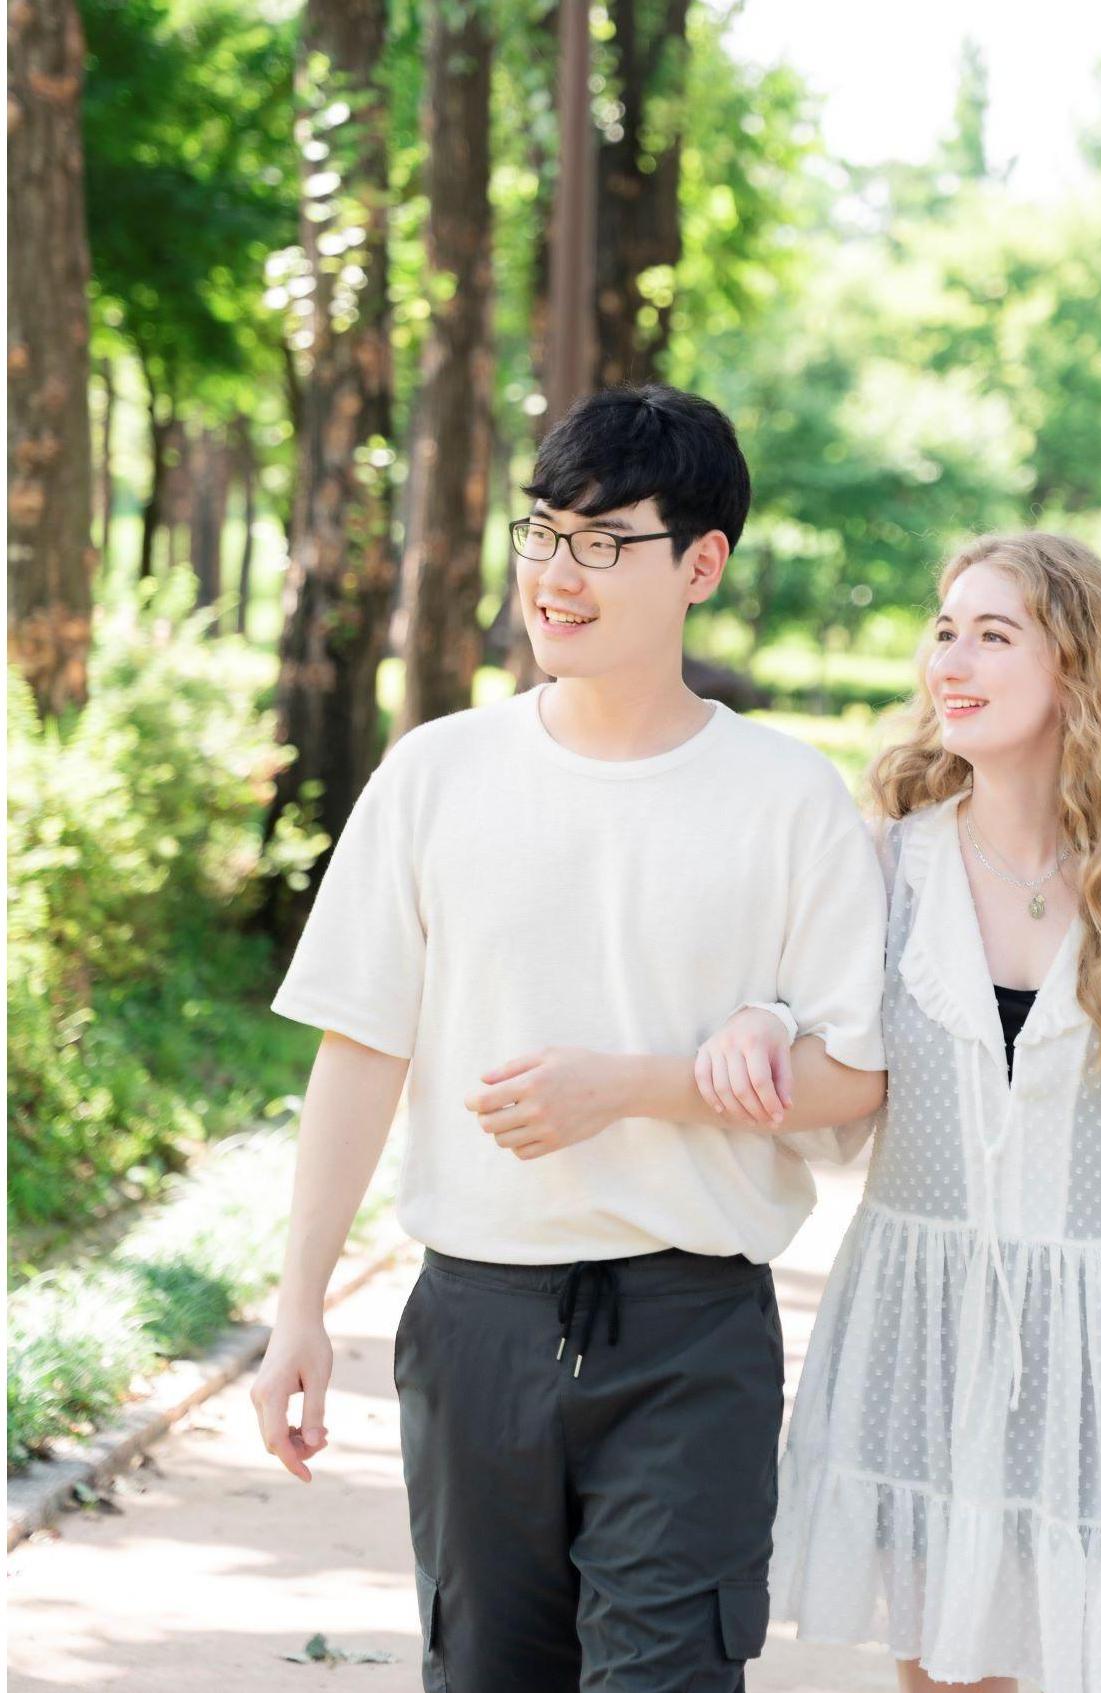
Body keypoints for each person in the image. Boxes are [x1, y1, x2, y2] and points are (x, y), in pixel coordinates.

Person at [251, 383, 889, 1692]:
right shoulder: (435, 774)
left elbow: (851, 1077)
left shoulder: (785, 797)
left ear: (701, 565)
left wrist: (639, 1087)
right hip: (474, 1321)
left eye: (604, 543)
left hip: (690, 1331)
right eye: (543, 534)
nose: (556, 575)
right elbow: (361, 1049)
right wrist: (298, 1305)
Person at [698, 531, 1101, 1693]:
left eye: (992, 634)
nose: (950, 661)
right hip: (921, 1336)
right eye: (944, 630)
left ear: (1079, 664)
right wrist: (763, 1019)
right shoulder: (884, 865)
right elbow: (831, 1103)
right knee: (947, 1676)